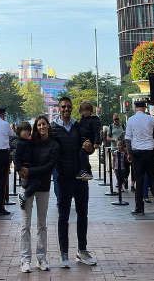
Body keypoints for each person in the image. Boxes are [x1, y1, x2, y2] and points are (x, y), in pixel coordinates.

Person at [51, 95, 97, 267]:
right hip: (62, 177)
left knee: (82, 214)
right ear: (58, 108)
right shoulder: (53, 129)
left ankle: (82, 251)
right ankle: (64, 254)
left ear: (72, 108)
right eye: (63, 107)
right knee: (63, 216)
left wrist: (90, 147)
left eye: (68, 106)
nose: (66, 109)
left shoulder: (78, 127)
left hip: (80, 176)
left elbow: (88, 147)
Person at [16, 116, 58, 273]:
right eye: (39, 124)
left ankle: (41, 258)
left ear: (48, 126)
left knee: (42, 225)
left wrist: (29, 171)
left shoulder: (53, 145)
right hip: (27, 185)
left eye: (44, 124)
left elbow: (49, 166)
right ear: (36, 127)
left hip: (43, 186)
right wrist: (20, 169)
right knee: (25, 225)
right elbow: (18, 154)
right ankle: (25, 260)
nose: (42, 127)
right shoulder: (30, 141)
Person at [124, 99, 154, 215]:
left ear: (135, 107)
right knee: (153, 179)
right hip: (151, 152)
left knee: (139, 180)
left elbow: (128, 139)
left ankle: (139, 208)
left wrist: (129, 154)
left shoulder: (131, 120)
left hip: (137, 153)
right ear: (145, 108)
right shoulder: (150, 119)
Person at [75, 101, 101, 180]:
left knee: (82, 153)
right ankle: (85, 170)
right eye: (83, 110)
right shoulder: (82, 120)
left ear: (90, 111)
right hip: (82, 142)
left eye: (87, 110)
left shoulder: (94, 120)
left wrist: (96, 142)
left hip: (90, 142)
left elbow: (97, 132)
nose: (85, 112)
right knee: (81, 155)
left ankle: (86, 171)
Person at [14, 121, 35, 208]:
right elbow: (17, 157)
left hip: (30, 167)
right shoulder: (20, 143)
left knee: (29, 184)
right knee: (27, 184)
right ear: (19, 132)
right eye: (24, 130)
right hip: (24, 168)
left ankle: (24, 199)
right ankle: (23, 197)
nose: (26, 132)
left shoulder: (28, 142)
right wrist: (19, 169)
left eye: (28, 130)